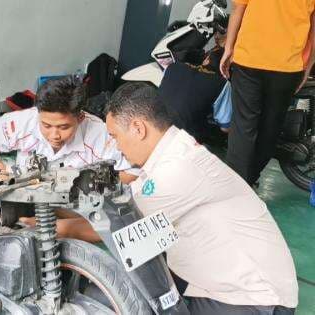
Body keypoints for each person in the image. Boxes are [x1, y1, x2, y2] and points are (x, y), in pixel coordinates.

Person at [105, 83, 298, 314]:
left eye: (115, 136)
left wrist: (59, 225)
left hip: (252, 300)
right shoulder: (174, 152)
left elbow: (120, 223)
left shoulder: (177, 168)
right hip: (220, 284)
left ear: (138, 128)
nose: (116, 146)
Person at [0, 76, 137, 242]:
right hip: (25, 189)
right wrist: (1, 171)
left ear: (80, 118)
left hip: (71, 202)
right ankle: (32, 217)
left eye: (64, 127)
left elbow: (131, 173)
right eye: (46, 126)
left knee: (118, 211)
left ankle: (50, 224)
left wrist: (90, 187)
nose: (54, 135)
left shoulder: (101, 134)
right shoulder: (23, 121)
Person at [220, 0, 315, 186]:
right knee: (270, 129)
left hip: (249, 59)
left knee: (243, 128)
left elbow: (239, 7)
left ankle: (236, 190)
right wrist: (309, 63)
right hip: (287, 66)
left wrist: (228, 47)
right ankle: (249, 179)